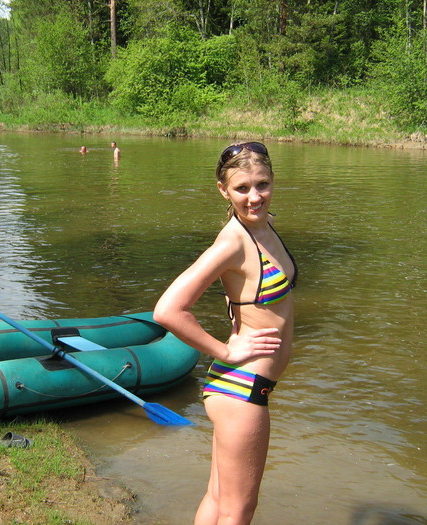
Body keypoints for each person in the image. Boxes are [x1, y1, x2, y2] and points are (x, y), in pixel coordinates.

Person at [154, 141, 297, 525]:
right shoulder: (233, 241)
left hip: (238, 388)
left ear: (273, 180)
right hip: (243, 391)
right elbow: (168, 310)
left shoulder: (262, 227)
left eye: (262, 184)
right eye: (242, 188)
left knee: (219, 501)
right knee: (238, 511)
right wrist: (226, 350)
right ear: (223, 190)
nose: (255, 197)